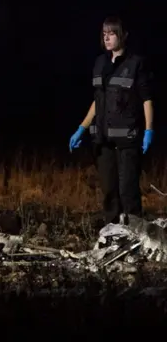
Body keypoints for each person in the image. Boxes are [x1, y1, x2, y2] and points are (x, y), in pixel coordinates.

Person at [69, 16, 154, 225]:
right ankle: (112, 234)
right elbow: (98, 101)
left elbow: (146, 99)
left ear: (123, 36)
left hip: (128, 139)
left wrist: (149, 130)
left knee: (128, 191)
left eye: (112, 33)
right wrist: (81, 128)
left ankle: (134, 233)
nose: (106, 38)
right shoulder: (100, 63)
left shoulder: (136, 63)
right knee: (109, 192)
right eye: (104, 34)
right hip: (103, 139)